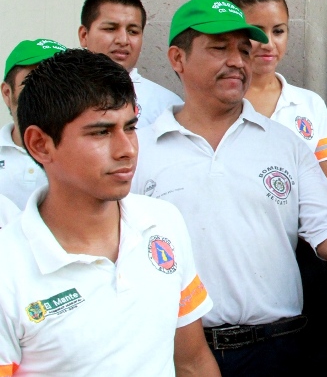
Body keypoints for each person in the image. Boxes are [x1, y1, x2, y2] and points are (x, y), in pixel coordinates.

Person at [131, 0, 327, 377]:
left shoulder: (286, 145)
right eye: (219, 49)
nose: (237, 61)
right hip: (179, 353)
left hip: (279, 352)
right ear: (177, 59)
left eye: (244, 50)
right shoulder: (140, 152)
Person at [0, 48, 219, 376]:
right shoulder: (8, 269)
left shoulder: (163, 223)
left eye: (129, 127)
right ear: (40, 144)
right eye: (101, 132)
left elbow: (193, 361)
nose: (127, 150)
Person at [226, 0, 327, 376]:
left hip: (303, 254)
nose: (268, 43)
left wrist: (326, 195)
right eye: (256, 32)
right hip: (235, 256)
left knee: (302, 356)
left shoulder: (307, 104)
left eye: (278, 31)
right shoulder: (222, 101)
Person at [79, 0, 182, 126]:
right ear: (84, 35)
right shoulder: (56, 95)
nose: (123, 40)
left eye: (133, 31)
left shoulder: (168, 107)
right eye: (110, 29)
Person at [0, 39, 66, 209]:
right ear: (7, 93)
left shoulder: (89, 155)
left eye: (59, 84)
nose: (46, 94)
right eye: (33, 83)